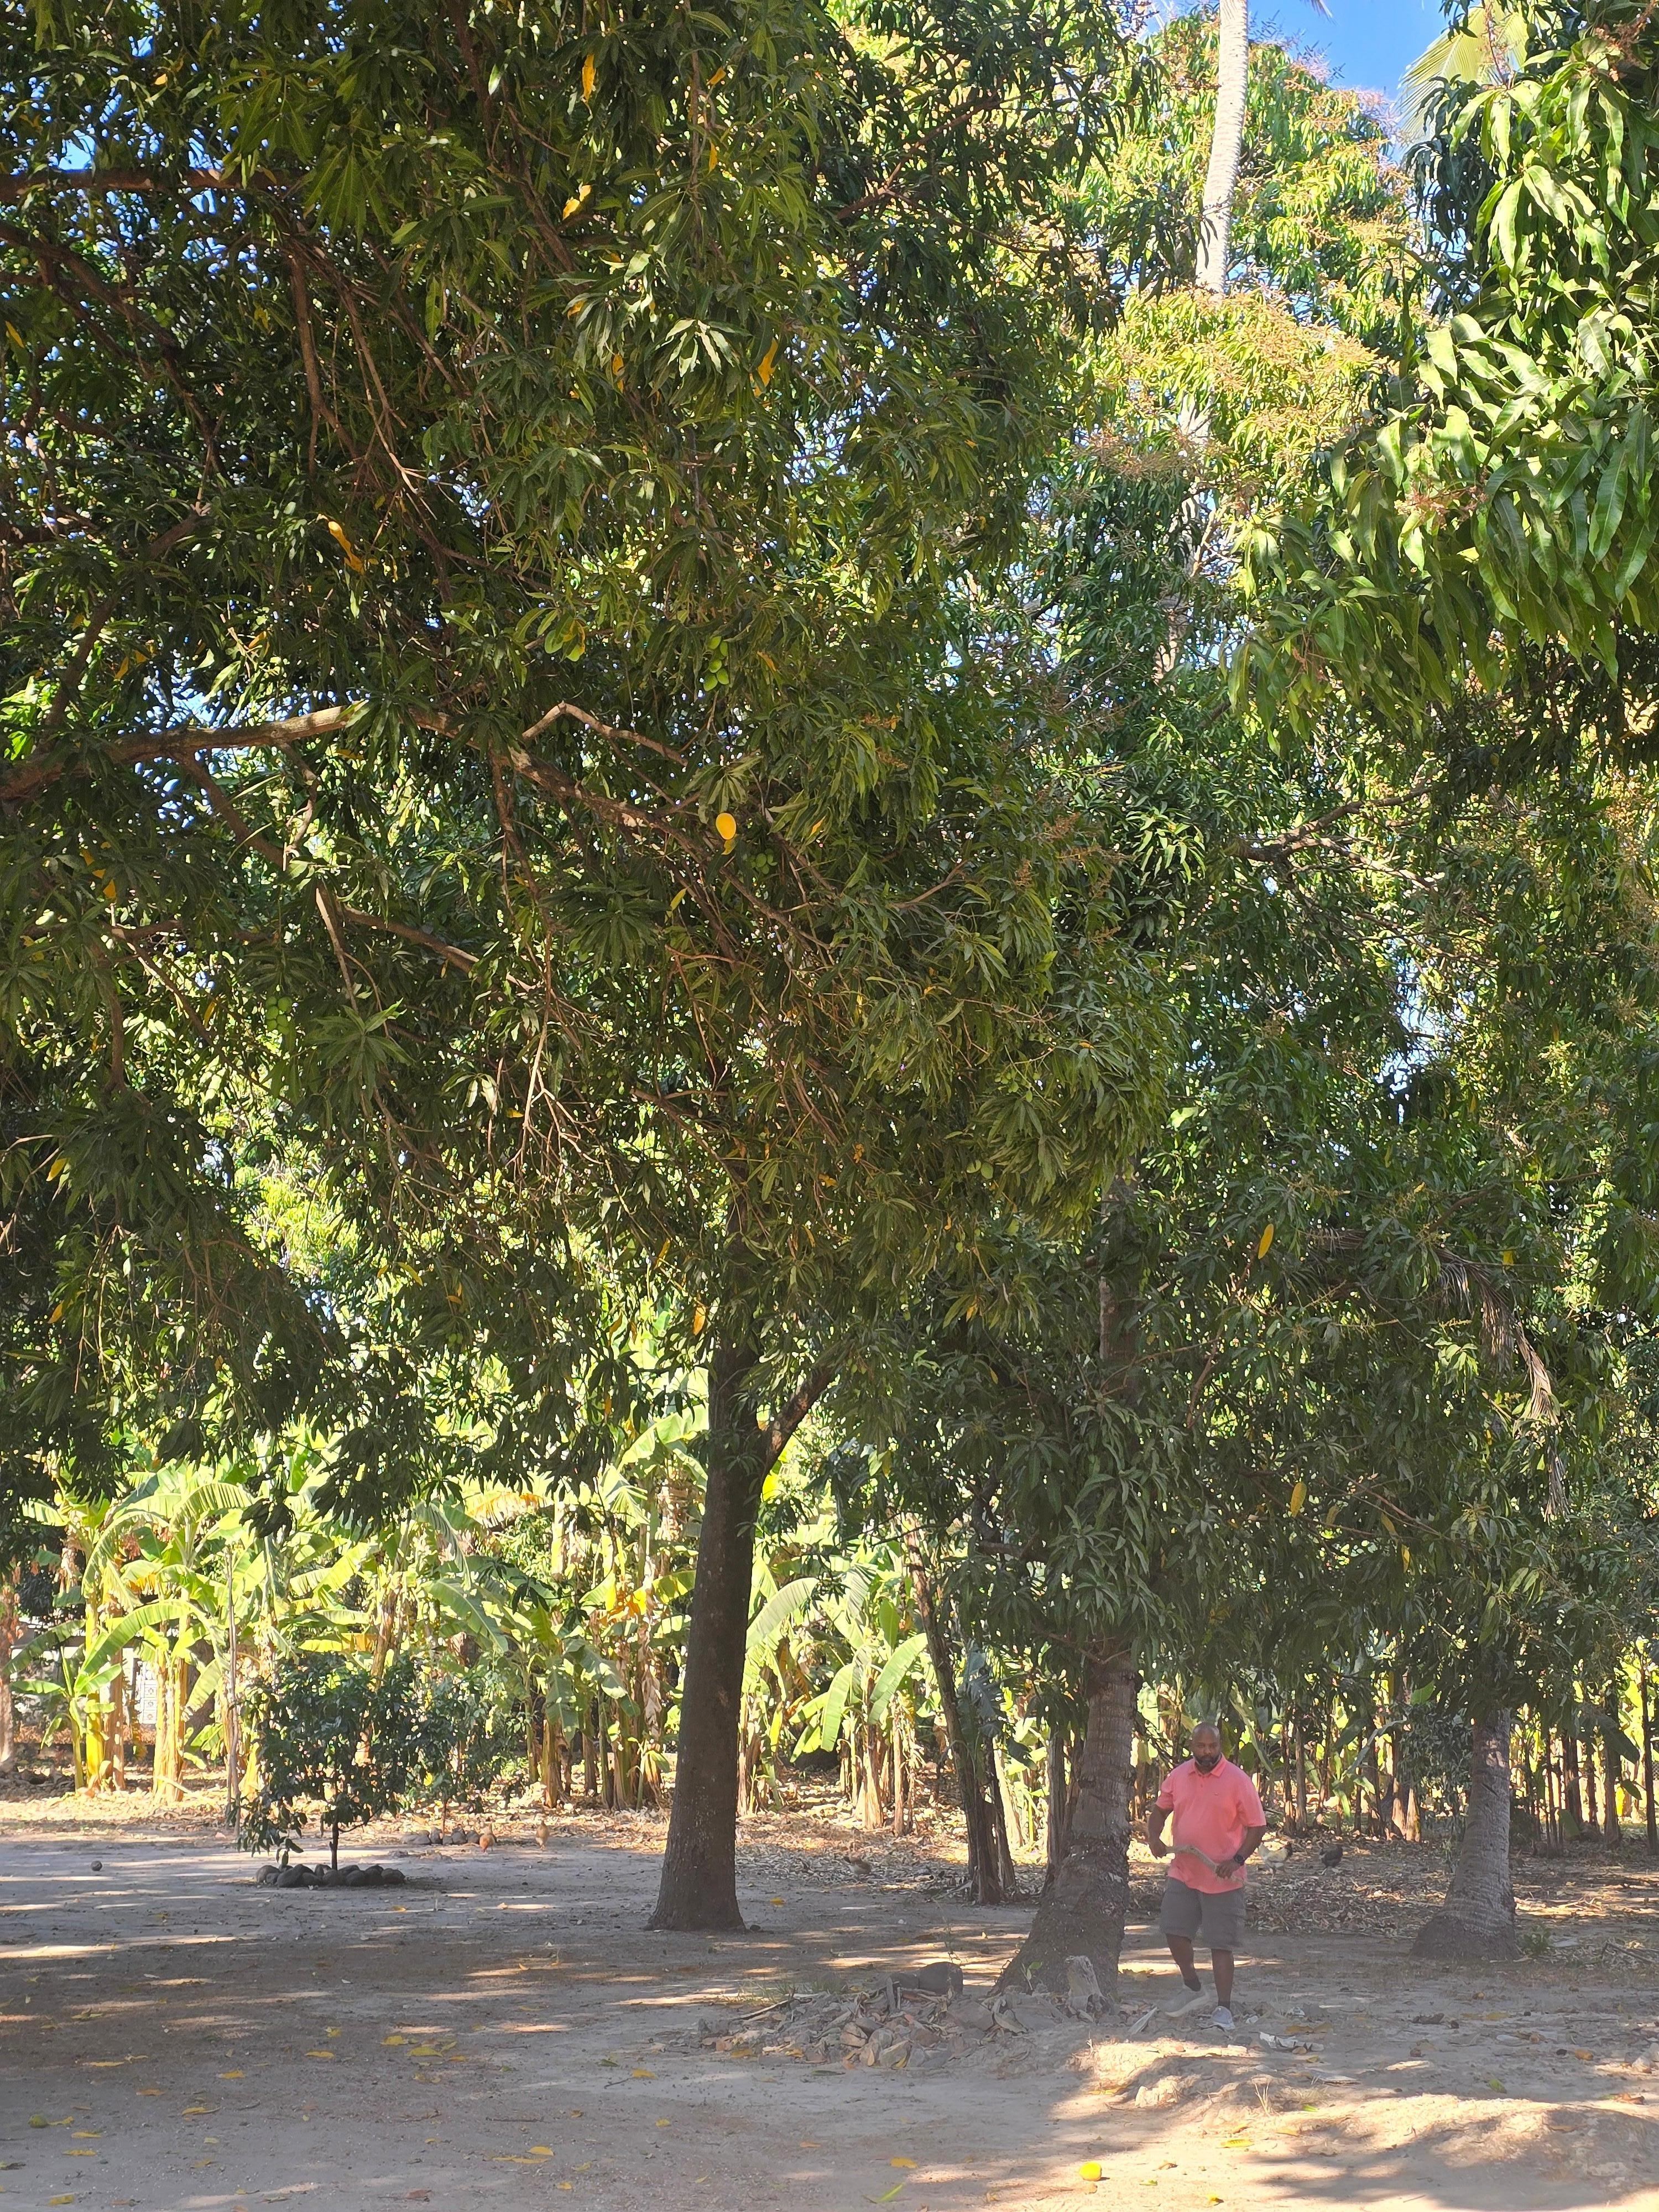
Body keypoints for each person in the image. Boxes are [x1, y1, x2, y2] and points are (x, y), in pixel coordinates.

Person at [1147, 1720, 1266, 2032]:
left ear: (1220, 1746)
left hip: (1223, 1878)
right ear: (1192, 1746)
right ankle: (1193, 1988)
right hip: (1184, 1871)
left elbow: (1257, 1826)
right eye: (1201, 1746)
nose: (1207, 1752)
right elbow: (1160, 1811)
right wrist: (1154, 1838)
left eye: (1213, 1746)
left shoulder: (1238, 1781)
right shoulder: (1178, 1776)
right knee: (1174, 1933)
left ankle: (1223, 2009)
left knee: (1220, 1945)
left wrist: (1237, 1859)